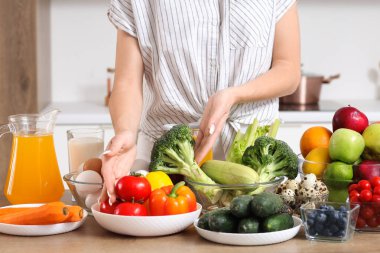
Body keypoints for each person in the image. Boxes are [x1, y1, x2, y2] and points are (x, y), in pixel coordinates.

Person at [100, 0, 300, 204]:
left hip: (254, 167)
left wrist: (234, 95)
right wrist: (125, 131)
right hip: (169, 169)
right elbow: (127, 82)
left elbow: (289, 70)